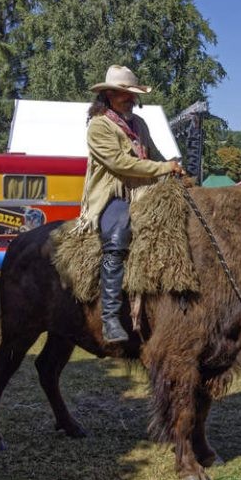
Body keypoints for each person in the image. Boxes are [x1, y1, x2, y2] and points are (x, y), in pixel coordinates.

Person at [77, 65, 183, 343]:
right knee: (118, 234)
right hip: (114, 196)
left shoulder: (140, 124)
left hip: (147, 192)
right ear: (109, 94)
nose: (129, 98)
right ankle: (110, 317)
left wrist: (174, 167)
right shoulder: (99, 125)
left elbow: (156, 155)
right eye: (123, 93)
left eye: (131, 94)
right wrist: (161, 168)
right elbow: (120, 163)